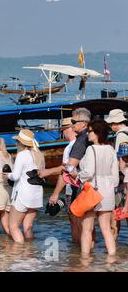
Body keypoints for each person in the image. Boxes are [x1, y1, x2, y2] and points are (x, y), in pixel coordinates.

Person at [49, 108, 92, 244]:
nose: (72, 126)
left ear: (83, 123)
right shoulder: (89, 139)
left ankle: (79, 257)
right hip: (92, 187)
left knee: (77, 222)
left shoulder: (78, 143)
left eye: (74, 122)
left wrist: (48, 174)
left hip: (78, 188)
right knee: (89, 225)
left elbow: (68, 168)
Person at [77, 119, 118, 256]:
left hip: (92, 192)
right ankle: (112, 259)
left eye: (90, 131)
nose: (88, 133)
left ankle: (85, 260)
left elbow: (88, 172)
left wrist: (77, 176)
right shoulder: (111, 149)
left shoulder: (91, 149)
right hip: (108, 192)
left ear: (97, 133)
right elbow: (116, 178)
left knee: (87, 229)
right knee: (106, 228)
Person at [4, 129, 45, 244]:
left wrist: (8, 175)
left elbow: (16, 176)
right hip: (36, 195)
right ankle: (29, 253)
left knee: (13, 226)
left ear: (20, 143)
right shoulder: (39, 155)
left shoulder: (22, 155)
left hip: (23, 195)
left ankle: (19, 250)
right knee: (28, 227)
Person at [39, 117, 77, 208]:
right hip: (84, 187)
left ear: (68, 129)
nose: (62, 133)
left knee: (73, 218)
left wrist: (55, 194)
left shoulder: (70, 147)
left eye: (63, 130)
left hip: (72, 188)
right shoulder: (83, 143)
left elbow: (65, 171)